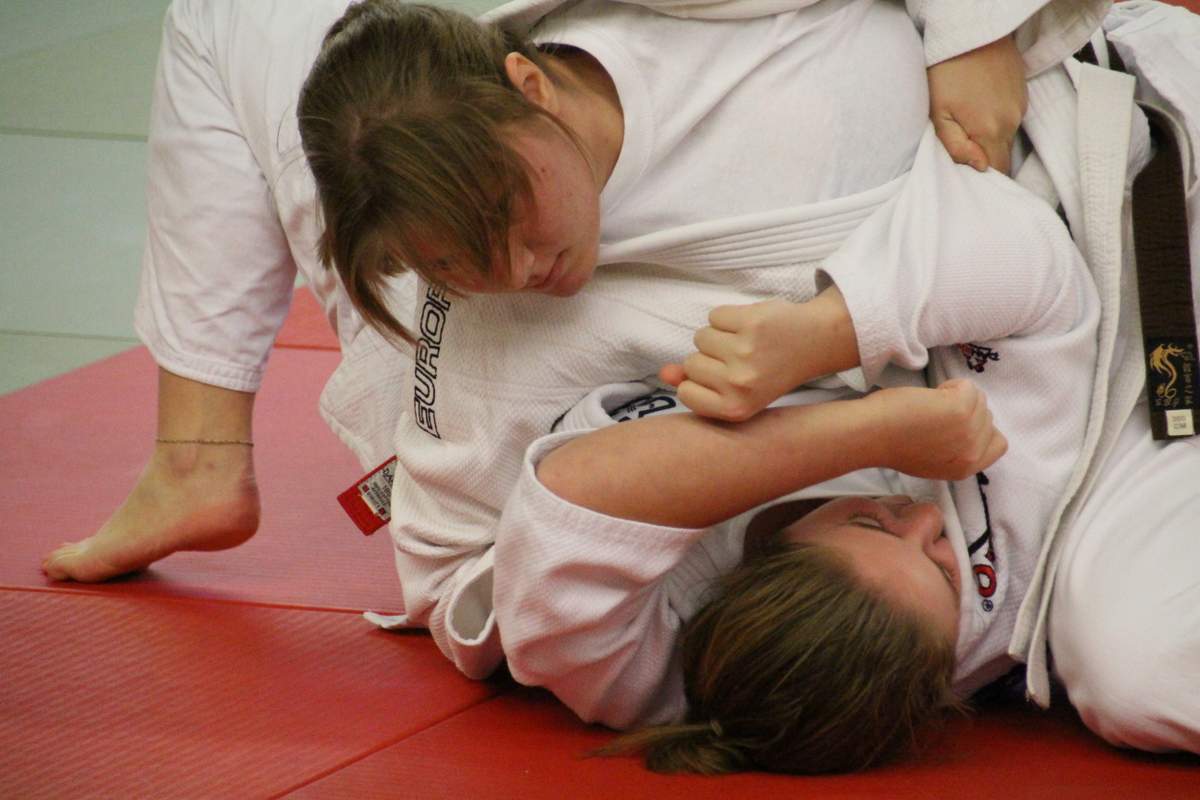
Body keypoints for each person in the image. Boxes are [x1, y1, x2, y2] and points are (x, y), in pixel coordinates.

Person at [40, 0, 1105, 676]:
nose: (518, 269)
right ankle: (197, 457)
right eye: (463, 259)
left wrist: (973, 26)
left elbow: (1011, 255)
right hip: (445, 361)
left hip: (704, 375)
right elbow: (458, 572)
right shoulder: (452, 288)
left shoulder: (813, 102)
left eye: (513, 215)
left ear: (530, 86)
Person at [492, 0, 1200, 772]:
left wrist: (864, 407)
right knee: (1135, 680)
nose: (919, 518)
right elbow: (1035, 271)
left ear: (753, 573)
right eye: (941, 565)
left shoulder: (684, 673)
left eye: (870, 523)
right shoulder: (1014, 571)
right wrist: (852, 357)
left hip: (1119, 184)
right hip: (1128, 445)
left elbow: (568, 500)